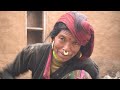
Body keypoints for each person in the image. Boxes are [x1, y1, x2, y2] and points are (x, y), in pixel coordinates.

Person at [0, 11, 99, 79]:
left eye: (75, 43)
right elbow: (7, 73)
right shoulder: (35, 53)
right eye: (62, 39)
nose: (66, 49)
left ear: (81, 46)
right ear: (53, 37)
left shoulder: (87, 67)